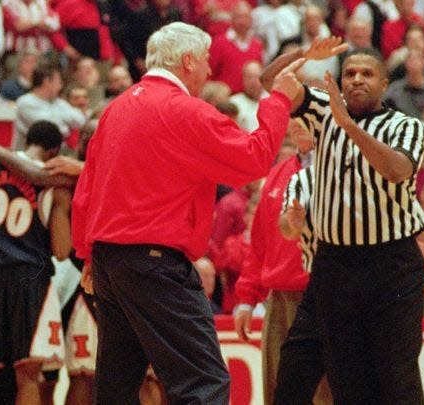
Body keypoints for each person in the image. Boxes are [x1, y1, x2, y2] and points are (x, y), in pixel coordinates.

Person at [71, 21, 306, 404]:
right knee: (204, 384)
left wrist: (87, 254)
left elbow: (87, 190)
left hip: (108, 262)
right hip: (155, 264)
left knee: (117, 388)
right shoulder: (185, 111)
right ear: (186, 62)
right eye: (205, 61)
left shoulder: (115, 110)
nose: (210, 71)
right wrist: (278, 99)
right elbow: (254, 159)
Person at [262, 44, 424, 403]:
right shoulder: (322, 111)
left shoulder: (406, 126)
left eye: (366, 74)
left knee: (397, 375)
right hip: (334, 265)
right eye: (349, 74)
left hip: (391, 264)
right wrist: (305, 53)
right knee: (346, 377)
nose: (357, 80)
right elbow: (270, 80)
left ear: (384, 84)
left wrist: (348, 125)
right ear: (339, 81)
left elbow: (397, 171)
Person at [0, 121, 72, 405]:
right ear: (54, 151)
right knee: (28, 376)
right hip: (29, 280)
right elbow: (63, 250)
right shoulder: (55, 185)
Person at [234, 119, 332, 405]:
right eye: (295, 118)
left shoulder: (340, 172)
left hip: (325, 295)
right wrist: (246, 298)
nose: (300, 124)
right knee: (279, 391)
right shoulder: (276, 175)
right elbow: (260, 244)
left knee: (328, 392)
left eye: (308, 117)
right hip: (280, 299)